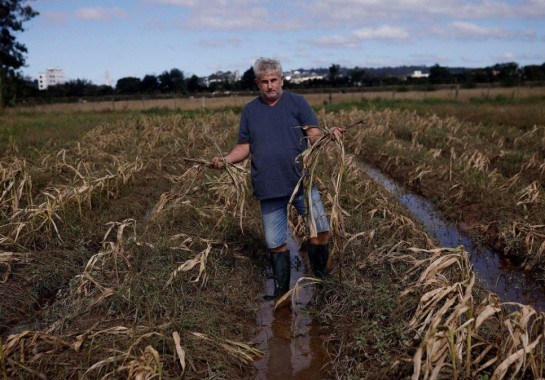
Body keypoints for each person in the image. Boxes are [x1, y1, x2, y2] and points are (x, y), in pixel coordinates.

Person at [212, 57, 345, 301]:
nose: (270, 86)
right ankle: (282, 291)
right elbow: (244, 146)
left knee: (320, 230)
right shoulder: (251, 111)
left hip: (301, 182)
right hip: (269, 186)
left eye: (274, 80)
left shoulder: (297, 103)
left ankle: (320, 278)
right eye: (265, 82)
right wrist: (226, 159)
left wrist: (328, 135)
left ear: (282, 80)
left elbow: (313, 134)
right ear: (257, 84)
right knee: (275, 242)